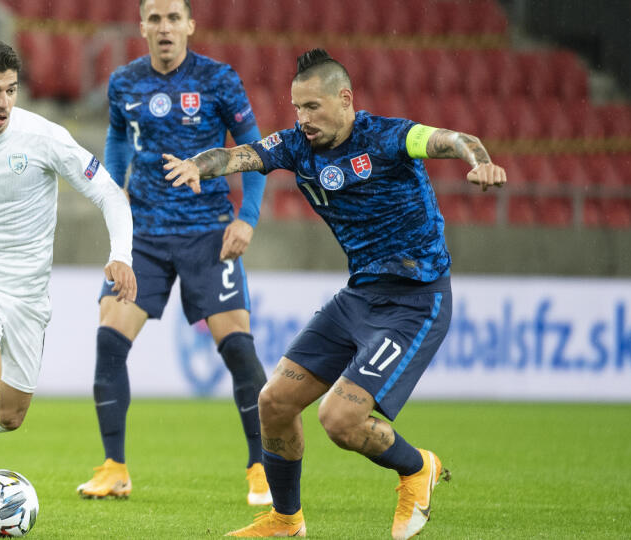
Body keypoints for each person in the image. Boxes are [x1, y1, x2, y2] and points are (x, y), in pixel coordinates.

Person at [164, 49, 507, 539]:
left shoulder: (388, 136)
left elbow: (455, 140)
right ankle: (286, 521)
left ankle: (417, 469)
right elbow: (239, 155)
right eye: (296, 108)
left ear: (345, 99)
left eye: (312, 107)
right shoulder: (296, 147)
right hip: (358, 296)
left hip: (414, 300)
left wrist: (482, 162)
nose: (302, 119)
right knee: (274, 402)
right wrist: (199, 165)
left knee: (340, 418)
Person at [0, 38, 137, 496]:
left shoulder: (43, 137)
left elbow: (108, 192)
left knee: (10, 415)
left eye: (12, 90)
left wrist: (121, 254)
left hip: (26, 292)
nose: (3, 103)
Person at [76, 0, 272, 506]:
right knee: (109, 339)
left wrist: (247, 217)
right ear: (142, 27)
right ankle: (115, 467)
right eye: (155, 19)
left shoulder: (218, 79)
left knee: (239, 350)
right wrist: (116, 192)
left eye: (172, 18)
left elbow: (254, 150)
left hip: (210, 233)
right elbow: (119, 137)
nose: (164, 28)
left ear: (190, 25)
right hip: (143, 237)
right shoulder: (124, 82)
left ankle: (262, 468)